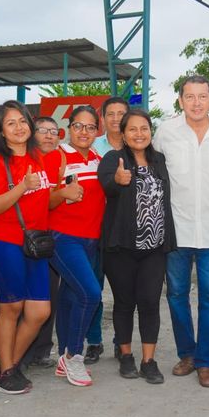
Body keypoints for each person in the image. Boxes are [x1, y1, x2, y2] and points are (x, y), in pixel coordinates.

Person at [153, 75, 209, 388]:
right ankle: (187, 354)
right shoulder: (166, 132)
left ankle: (206, 361)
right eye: (190, 96)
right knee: (176, 293)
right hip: (176, 228)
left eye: (202, 96)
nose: (196, 103)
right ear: (180, 100)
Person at [0, 101, 52, 394]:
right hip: (4, 242)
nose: (19, 127)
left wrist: (65, 194)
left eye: (22, 121)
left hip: (36, 243)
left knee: (39, 311)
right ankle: (7, 370)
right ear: (1, 131)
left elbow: (45, 199)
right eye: (11, 123)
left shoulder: (40, 157)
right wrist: (22, 186)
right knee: (11, 307)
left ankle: (9, 366)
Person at [97, 109, 174, 384]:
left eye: (144, 128)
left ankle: (149, 361)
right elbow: (107, 185)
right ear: (123, 134)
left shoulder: (159, 160)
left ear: (151, 131)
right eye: (132, 129)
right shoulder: (113, 159)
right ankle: (127, 355)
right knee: (124, 303)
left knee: (150, 302)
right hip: (121, 248)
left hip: (154, 247)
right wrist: (117, 181)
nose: (139, 134)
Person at [46, 105, 105, 386]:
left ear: (97, 131)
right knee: (91, 294)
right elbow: (43, 201)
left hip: (91, 240)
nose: (84, 132)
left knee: (71, 297)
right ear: (69, 128)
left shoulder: (98, 159)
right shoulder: (57, 156)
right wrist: (62, 193)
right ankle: (74, 355)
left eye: (90, 127)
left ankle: (63, 356)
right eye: (78, 126)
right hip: (63, 238)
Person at [86, 96, 130, 362]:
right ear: (102, 119)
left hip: (124, 227)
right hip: (94, 225)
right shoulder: (92, 147)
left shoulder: (137, 144)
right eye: (110, 114)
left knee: (123, 289)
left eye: (121, 113)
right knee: (93, 285)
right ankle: (94, 341)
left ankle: (120, 341)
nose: (115, 119)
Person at [20, 116, 61, 370]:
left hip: (50, 239)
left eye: (53, 131)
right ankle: (19, 355)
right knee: (22, 299)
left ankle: (42, 350)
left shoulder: (60, 159)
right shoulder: (22, 160)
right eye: (42, 130)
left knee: (49, 295)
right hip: (23, 238)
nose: (48, 135)